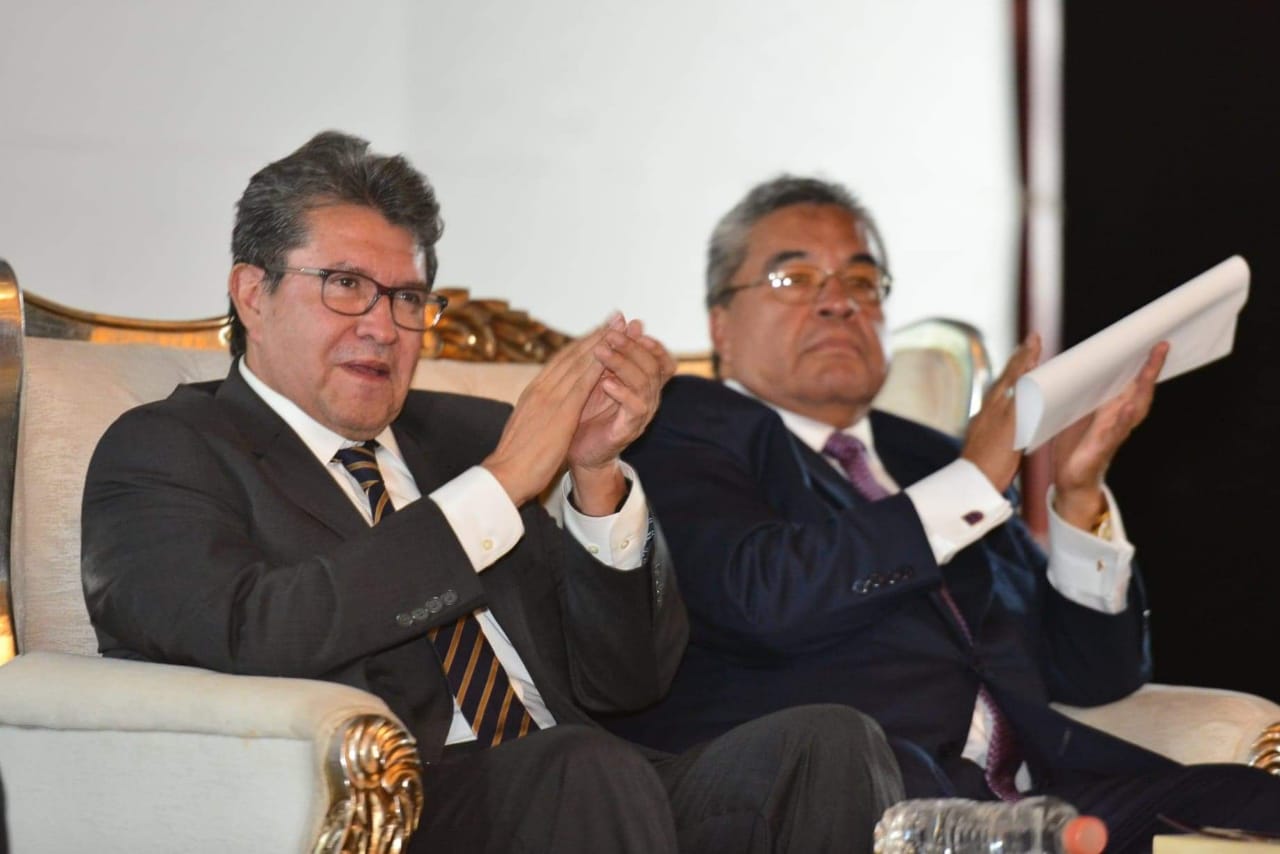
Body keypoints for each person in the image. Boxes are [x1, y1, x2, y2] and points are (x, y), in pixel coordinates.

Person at [80, 136, 903, 853]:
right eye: (345, 285)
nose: (382, 326)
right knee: (580, 769)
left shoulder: (467, 435)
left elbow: (629, 684)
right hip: (381, 809)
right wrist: (502, 485)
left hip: (592, 783)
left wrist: (595, 477)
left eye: (407, 298)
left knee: (827, 745)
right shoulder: (165, 451)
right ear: (252, 294)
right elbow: (249, 637)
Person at [603, 175, 1280, 852]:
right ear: (720, 323)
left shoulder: (930, 456)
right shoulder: (681, 428)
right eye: (796, 278)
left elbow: (1095, 676)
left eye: (862, 281)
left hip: (1040, 796)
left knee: (1256, 807)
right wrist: (972, 481)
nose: (839, 301)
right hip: (863, 798)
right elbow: (760, 596)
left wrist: (1077, 498)